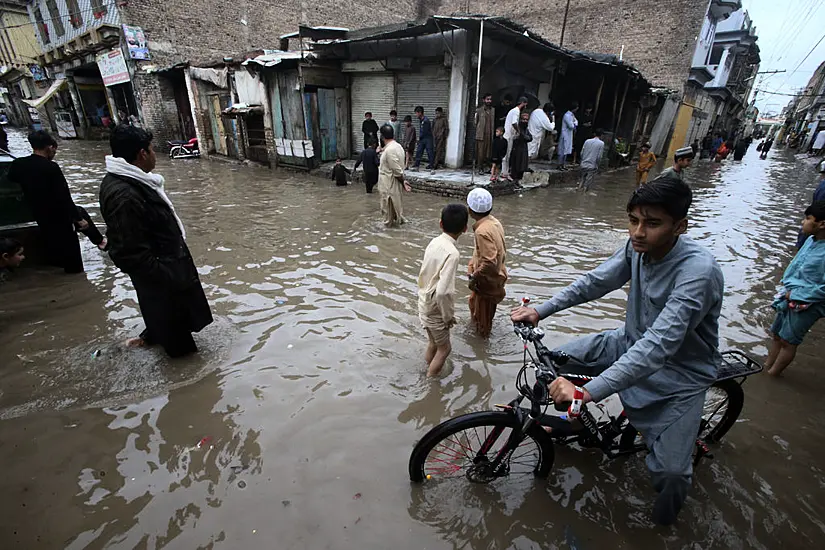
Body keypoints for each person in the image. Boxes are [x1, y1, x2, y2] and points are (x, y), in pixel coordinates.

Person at [511, 176, 724, 526]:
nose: (638, 232)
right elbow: (596, 282)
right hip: (626, 341)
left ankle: (662, 527)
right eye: (633, 220)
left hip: (678, 373)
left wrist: (587, 392)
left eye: (652, 223)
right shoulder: (635, 248)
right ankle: (573, 427)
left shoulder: (697, 272)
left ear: (679, 226)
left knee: (671, 474)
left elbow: (659, 346)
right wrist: (541, 309)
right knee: (553, 366)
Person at [99, 125, 213, 358]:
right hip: (162, 278)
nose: (154, 155)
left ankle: (151, 336)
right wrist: (166, 277)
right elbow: (127, 252)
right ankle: (184, 385)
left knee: (171, 320)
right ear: (142, 154)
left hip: (166, 270)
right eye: (152, 150)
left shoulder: (133, 182)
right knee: (182, 351)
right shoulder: (124, 194)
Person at [7, 130, 87, 273]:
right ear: (49, 147)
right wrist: (78, 219)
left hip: (38, 212)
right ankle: (75, 272)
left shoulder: (19, 164)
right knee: (71, 251)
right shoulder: (51, 167)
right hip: (59, 214)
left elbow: (11, 179)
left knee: (52, 242)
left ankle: (58, 267)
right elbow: (64, 196)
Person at [766, 200, 825, 376]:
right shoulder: (811, 240)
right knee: (777, 334)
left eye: (808, 218)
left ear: (821, 224)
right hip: (790, 295)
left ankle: (773, 375)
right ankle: (766, 367)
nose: (803, 222)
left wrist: (798, 294)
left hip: (807, 302)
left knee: (788, 341)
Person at [418, 203, 468, 377]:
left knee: (433, 343)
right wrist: (448, 317)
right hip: (436, 309)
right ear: (465, 229)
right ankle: (430, 383)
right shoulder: (452, 253)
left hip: (423, 301)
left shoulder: (434, 242)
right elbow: (443, 292)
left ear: (440, 224)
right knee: (445, 349)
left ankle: (426, 369)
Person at [467, 188, 507, 338]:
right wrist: (472, 265)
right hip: (494, 277)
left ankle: (481, 346)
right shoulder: (494, 222)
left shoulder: (482, 231)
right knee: (476, 308)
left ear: (471, 210)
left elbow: (489, 262)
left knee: (483, 322)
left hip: (486, 280)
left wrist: (474, 276)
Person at [377, 124, 409, 227]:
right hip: (394, 185)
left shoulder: (389, 150)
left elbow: (396, 170)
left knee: (387, 219)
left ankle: (387, 238)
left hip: (388, 186)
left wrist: (403, 181)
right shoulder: (398, 146)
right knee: (396, 211)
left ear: (382, 136)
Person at [502, 96, 528, 181]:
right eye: (525, 104)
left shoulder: (513, 111)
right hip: (509, 135)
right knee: (507, 155)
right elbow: (514, 123)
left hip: (508, 134)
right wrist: (519, 131)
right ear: (523, 103)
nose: (525, 107)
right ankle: (505, 173)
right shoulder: (516, 111)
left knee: (506, 155)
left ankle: (504, 172)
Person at [509, 111, 533, 183]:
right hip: (517, 150)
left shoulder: (526, 130)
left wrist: (524, 136)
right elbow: (517, 138)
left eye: (526, 120)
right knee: (516, 167)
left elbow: (530, 138)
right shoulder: (517, 129)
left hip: (523, 150)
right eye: (523, 119)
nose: (525, 121)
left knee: (522, 168)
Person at [475, 93, 495, 172]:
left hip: (490, 135)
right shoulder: (479, 110)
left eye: (490, 99)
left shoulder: (493, 110)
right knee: (480, 153)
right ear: (484, 100)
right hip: (481, 135)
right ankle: (480, 168)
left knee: (488, 152)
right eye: (487, 99)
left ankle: (487, 167)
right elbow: (475, 122)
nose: (489, 101)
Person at [558, 102, 579, 170]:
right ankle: (560, 164)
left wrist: (574, 123)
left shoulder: (572, 115)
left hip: (569, 134)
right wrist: (574, 124)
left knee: (566, 150)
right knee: (563, 150)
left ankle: (563, 164)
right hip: (565, 135)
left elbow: (576, 121)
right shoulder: (567, 115)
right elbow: (571, 125)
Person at [413, 106, 435, 171]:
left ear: (420, 113)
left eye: (416, 113)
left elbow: (424, 131)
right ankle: (416, 164)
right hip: (423, 138)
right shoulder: (421, 120)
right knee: (419, 151)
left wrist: (419, 138)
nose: (416, 115)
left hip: (427, 139)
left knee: (429, 152)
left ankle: (431, 165)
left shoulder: (426, 121)